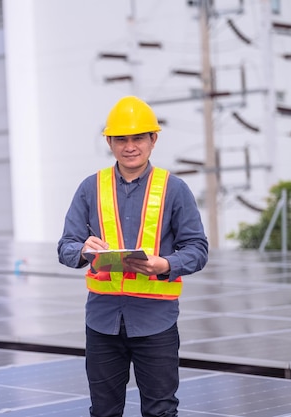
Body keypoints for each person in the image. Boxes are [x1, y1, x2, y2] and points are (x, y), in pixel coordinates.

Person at [57, 96, 208, 417]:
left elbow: (198, 249)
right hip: (102, 323)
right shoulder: (90, 188)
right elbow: (66, 247)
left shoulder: (174, 188)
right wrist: (83, 251)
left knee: (160, 411)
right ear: (109, 142)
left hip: (156, 322)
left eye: (138, 137)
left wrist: (165, 265)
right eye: (121, 139)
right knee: (104, 411)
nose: (130, 147)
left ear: (153, 140)